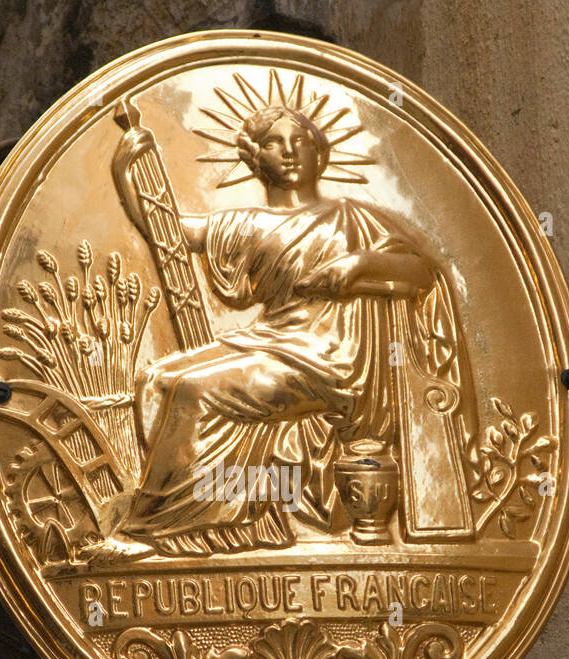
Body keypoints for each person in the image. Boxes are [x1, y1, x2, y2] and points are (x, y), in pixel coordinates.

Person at [90, 103, 476, 561]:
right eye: (274, 143)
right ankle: (236, 515)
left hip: (332, 358)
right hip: (274, 343)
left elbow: (420, 273)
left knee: (194, 389)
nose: (290, 152)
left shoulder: (355, 219)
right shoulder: (248, 223)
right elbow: (168, 233)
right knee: (157, 380)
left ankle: (151, 529)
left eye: (302, 142)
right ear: (256, 158)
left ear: (321, 153)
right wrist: (126, 170)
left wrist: (359, 264)